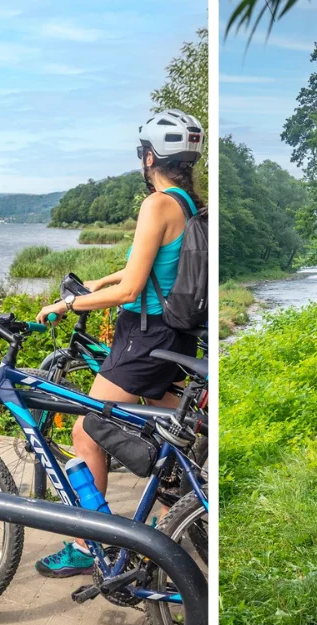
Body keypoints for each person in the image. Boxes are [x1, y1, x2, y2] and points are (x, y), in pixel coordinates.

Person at [32, 109, 205, 577]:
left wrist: (66, 307)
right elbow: (140, 270)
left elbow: (130, 292)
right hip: (172, 333)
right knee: (170, 418)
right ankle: (185, 488)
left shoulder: (157, 204)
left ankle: (90, 545)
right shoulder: (186, 202)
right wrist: (95, 283)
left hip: (145, 335)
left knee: (87, 429)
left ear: (149, 157)